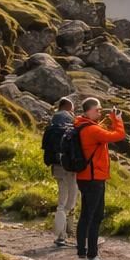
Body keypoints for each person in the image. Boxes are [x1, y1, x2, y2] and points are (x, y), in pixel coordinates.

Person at [73, 97, 125, 260]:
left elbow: (102, 133)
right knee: (95, 217)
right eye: (97, 110)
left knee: (85, 216)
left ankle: (82, 256)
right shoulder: (92, 130)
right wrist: (118, 120)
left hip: (84, 177)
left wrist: (108, 119)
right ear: (88, 111)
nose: (99, 112)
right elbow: (118, 135)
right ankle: (92, 256)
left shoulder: (80, 125)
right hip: (94, 178)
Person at [41, 96, 78, 247]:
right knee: (72, 200)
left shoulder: (51, 126)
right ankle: (69, 233)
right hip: (70, 168)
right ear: (69, 108)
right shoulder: (71, 124)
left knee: (61, 201)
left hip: (56, 166)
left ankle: (61, 236)